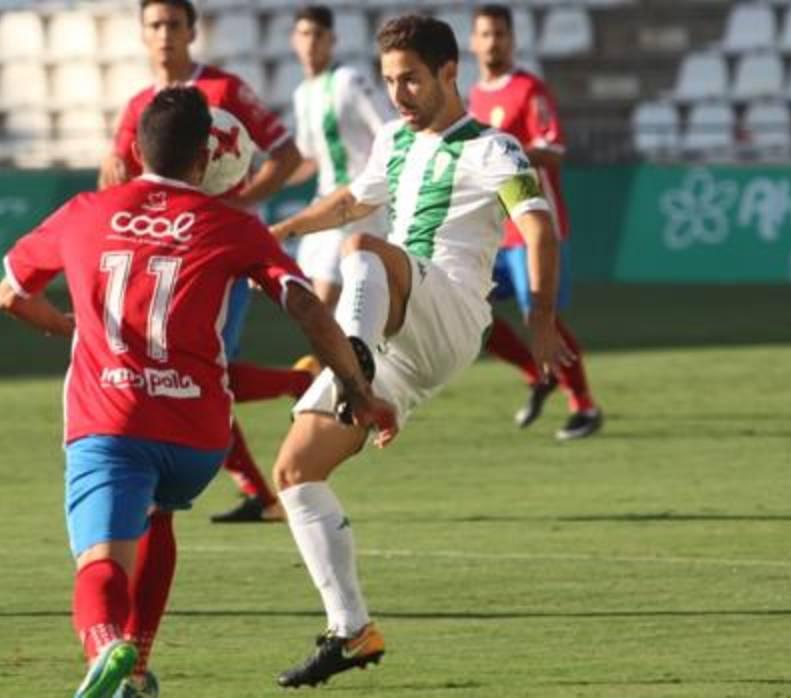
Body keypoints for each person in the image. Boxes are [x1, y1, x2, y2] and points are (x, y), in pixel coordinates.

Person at [0, 87, 396, 698]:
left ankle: (107, 648)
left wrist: (62, 325)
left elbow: (12, 292)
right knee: (159, 512)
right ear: (205, 161)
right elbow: (307, 307)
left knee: (99, 562)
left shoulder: (85, 211)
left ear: (133, 149)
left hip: (113, 421)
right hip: (199, 439)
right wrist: (357, 388)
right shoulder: (234, 227)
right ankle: (137, 670)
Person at [267, 15, 572, 688]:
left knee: (365, 253)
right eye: (389, 81)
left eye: (411, 79)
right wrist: (284, 227)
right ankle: (352, 631)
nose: (399, 92)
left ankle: (354, 369)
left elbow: (538, 226)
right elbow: (353, 198)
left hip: (453, 313)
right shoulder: (392, 139)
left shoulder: (495, 149)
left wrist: (541, 315)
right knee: (293, 473)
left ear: (447, 73)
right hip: (396, 331)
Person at [100, 0, 313, 524]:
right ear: (143, 34)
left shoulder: (224, 91)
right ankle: (263, 483)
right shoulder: (138, 107)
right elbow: (120, 181)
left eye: (175, 24)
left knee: (202, 369)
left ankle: (266, 472)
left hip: (216, 255)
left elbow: (285, 155)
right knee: (194, 370)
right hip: (163, 260)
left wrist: (237, 206)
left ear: (193, 31)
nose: (165, 34)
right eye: (155, 25)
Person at [468, 4, 604, 439]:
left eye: (500, 34)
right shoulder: (474, 97)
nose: (493, 42)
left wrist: (506, 149)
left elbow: (555, 151)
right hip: (495, 231)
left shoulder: (530, 90)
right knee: (469, 308)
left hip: (533, 227)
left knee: (539, 317)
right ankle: (535, 373)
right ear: (473, 42)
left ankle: (584, 406)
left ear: (513, 40)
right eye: (485, 34)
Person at [288, 4, 393, 308]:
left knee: (323, 301)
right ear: (294, 39)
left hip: (355, 204)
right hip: (325, 201)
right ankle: (344, 355)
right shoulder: (302, 94)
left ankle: (329, 357)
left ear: (332, 39)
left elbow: (387, 130)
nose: (310, 42)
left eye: (318, 35)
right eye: (304, 34)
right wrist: (267, 178)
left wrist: (371, 185)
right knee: (310, 298)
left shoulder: (348, 80)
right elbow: (309, 159)